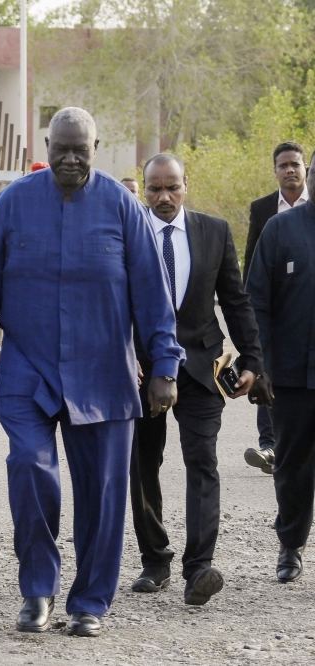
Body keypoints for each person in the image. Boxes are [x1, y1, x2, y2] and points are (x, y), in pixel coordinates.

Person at [0, 107, 183, 638]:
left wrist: (164, 365)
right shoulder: (13, 203)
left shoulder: (121, 206)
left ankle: (89, 603)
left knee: (104, 491)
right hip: (27, 372)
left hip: (103, 372)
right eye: (61, 148)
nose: (69, 158)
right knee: (31, 471)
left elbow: (153, 293)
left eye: (80, 149)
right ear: (47, 144)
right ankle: (38, 591)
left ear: (96, 147)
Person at [128, 153, 266, 605]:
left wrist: (252, 360)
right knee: (143, 464)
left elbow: (236, 299)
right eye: (154, 189)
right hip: (144, 371)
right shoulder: (128, 232)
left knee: (202, 462)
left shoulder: (214, 231)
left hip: (202, 369)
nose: (163, 197)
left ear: (186, 185)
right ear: (144, 189)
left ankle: (199, 566)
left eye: (172, 187)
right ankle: (155, 560)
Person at [246, 161, 315, 583]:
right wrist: (260, 364)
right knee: (292, 465)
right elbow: (256, 301)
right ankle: (290, 546)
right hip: (289, 374)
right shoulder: (280, 229)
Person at [242, 142, 308, 475]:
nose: (290, 170)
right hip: (277, 315)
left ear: (305, 168)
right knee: (266, 373)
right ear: (275, 171)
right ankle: (269, 446)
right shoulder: (264, 210)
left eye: (295, 164)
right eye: (283, 165)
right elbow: (253, 265)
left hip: (304, 311)